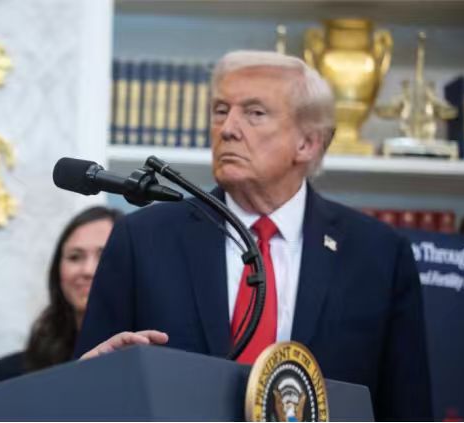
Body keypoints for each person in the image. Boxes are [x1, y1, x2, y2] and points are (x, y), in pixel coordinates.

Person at [75, 51, 432, 421]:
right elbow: (86, 391)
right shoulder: (143, 240)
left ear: (307, 143)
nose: (227, 128)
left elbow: (407, 408)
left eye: (255, 113)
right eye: (220, 110)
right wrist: (93, 376)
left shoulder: (378, 254)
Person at [0, 206, 122, 383]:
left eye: (104, 256)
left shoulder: (153, 351)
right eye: (75, 257)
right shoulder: (11, 374)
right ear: (57, 270)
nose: (88, 270)